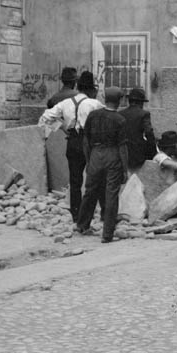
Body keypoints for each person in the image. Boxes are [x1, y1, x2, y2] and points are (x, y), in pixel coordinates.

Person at [38, 71, 103, 222]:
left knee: (75, 181)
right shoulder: (95, 104)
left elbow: (44, 118)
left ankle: (76, 214)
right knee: (94, 179)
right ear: (91, 90)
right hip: (90, 143)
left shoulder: (64, 104)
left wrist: (62, 127)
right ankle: (90, 214)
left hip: (72, 142)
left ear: (79, 87)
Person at [76, 87, 128, 243]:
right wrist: (124, 169)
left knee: (90, 190)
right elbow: (123, 147)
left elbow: (86, 141)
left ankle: (82, 225)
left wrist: (88, 159)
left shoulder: (93, 115)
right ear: (118, 101)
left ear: (105, 99)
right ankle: (107, 234)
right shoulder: (120, 120)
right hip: (112, 155)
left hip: (95, 154)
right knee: (111, 193)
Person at [120, 87, 156, 173]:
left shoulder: (120, 113)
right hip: (138, 153)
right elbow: (148, 132)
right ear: (140, 102)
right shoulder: (144, 114)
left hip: (123, 152)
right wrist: (153, 150)